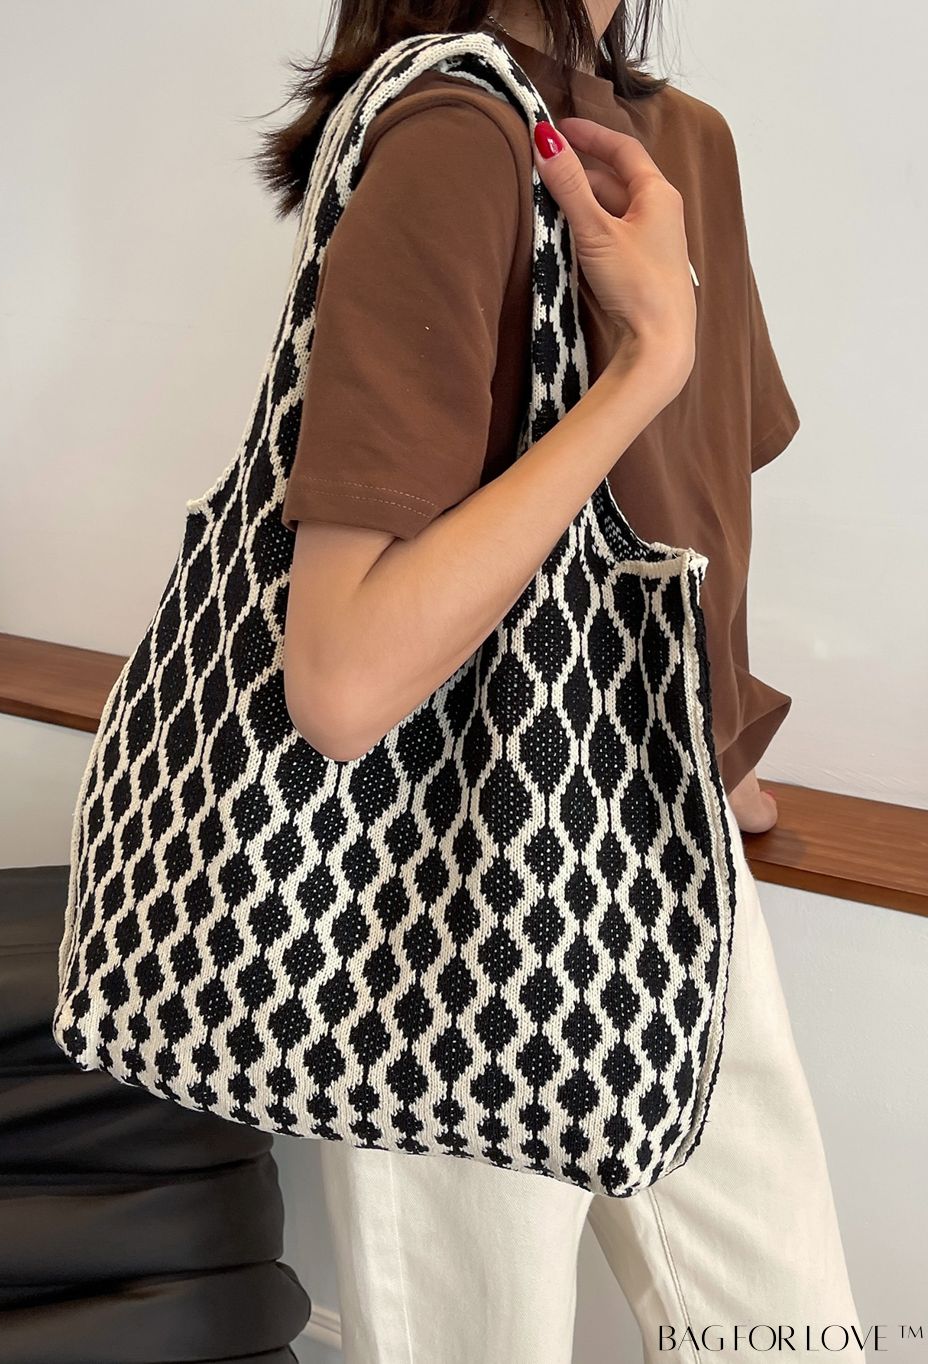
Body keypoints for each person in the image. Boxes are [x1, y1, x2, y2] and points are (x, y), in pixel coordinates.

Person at [260, 2, 864, 1359]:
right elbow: (341, 680)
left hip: (672, 850)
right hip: (443, 884)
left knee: (793, 1327)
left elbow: (694, 495)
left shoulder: (687, 142)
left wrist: (718, 750)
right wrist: (645, 362)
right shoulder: (452, 132)